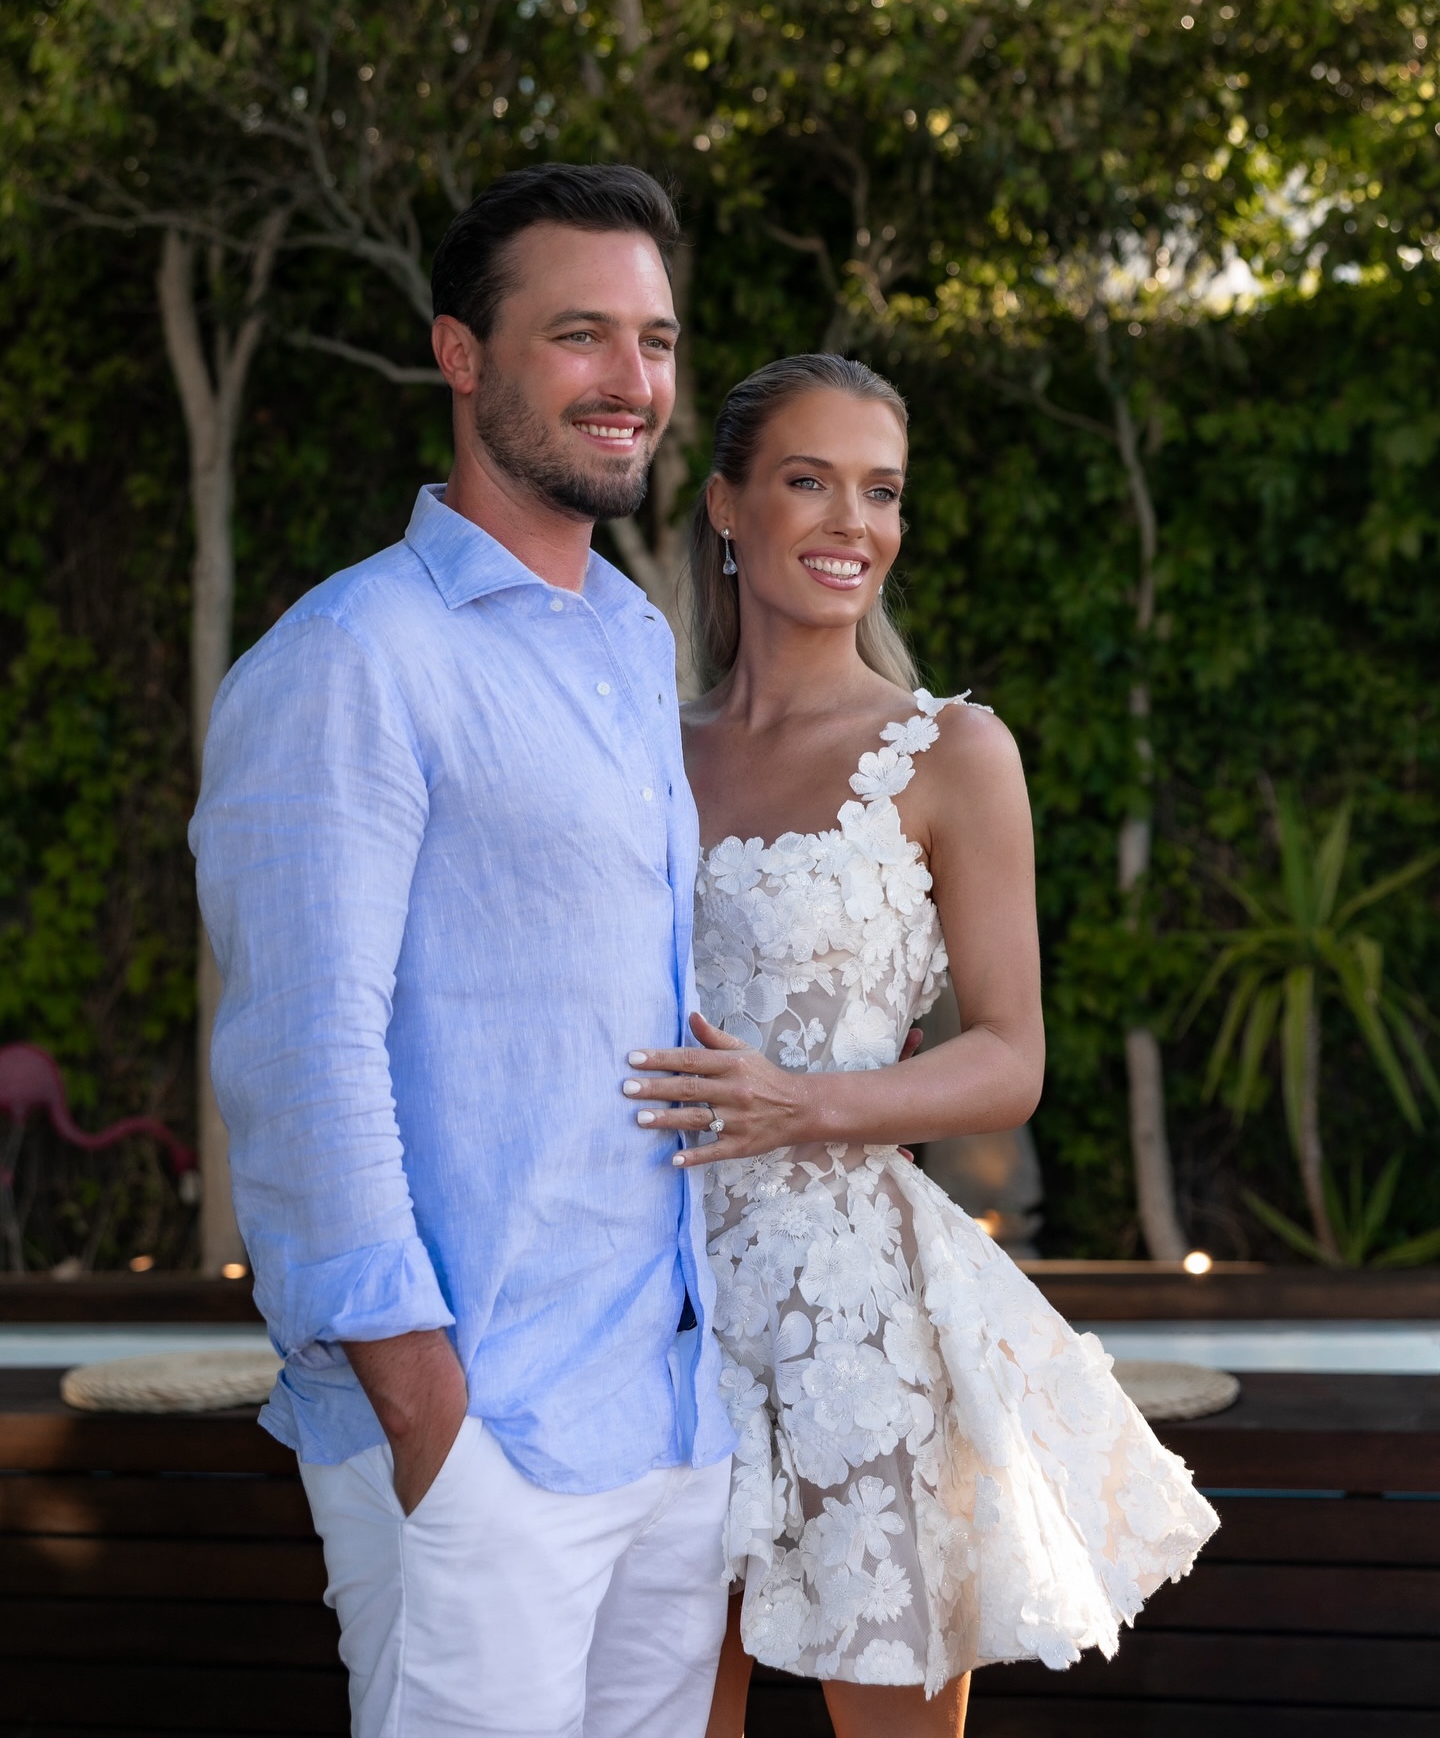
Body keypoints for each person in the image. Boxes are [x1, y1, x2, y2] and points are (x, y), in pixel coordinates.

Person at [189, 164, 736, 1738]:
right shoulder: (352, 660)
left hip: (665, 1420)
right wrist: (431, 1419)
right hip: (478, 1432)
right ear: (460, 354)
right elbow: (301, 1064)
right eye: (580, 334)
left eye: (656, 339)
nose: (632, 382)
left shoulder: (636, 643)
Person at [622, 355, 1220, 1738]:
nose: (853, 523)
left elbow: (1011, 1060)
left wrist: (807, 1100)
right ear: (724, 505)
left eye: (880, 490)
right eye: (807, 480)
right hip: (651, 1316)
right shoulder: (643, 746)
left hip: (858, 1330)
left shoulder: (951, 751)